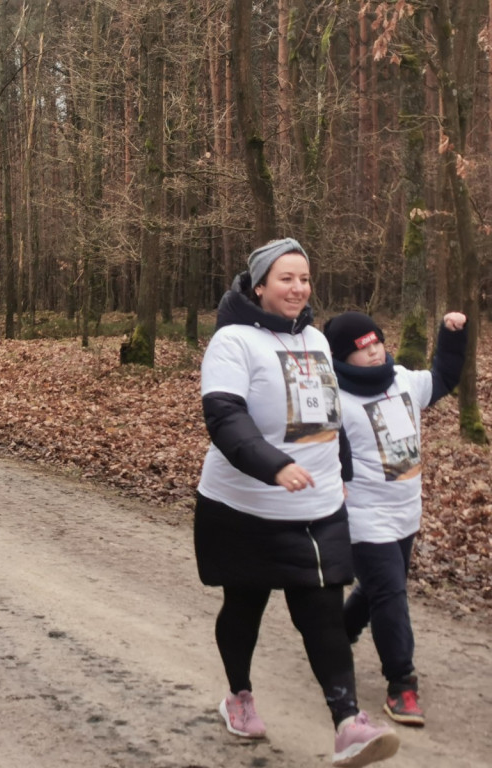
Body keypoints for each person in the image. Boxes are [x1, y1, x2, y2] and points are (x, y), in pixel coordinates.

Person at [195, 238, 399, 768]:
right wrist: (272, 465)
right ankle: (238, 696)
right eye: (286, 278)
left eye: (304, 279)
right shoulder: (232, 342)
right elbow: (224, 416)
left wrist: (345, 473)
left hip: (318, 505)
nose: (299, 288)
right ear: (260, 284)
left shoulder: (313, 338)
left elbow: (329, 415)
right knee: (245, 606)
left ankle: (348, 724)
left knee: (325, 611)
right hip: (244, 506)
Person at [323, 310, 467, 728]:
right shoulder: (338, 399)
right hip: (365, 515)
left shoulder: (403, 380)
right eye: (361, 349)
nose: (372, 352)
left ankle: (336, 634)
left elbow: (443, 376)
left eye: (375, 343)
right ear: (342, 357)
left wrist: (451, 335)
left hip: (407, 508)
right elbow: (323, 452)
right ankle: (401, 683)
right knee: (390, 592)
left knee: (378, 587)